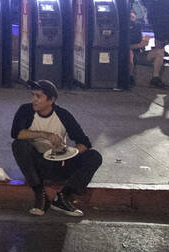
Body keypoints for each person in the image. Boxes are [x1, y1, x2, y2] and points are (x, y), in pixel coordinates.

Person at [11, 80, 102, 217]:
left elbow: (84, 142)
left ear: (51, 100)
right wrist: (44, 134)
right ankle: (39, 194)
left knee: (94, 156)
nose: (34, 100)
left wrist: (69, 153)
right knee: (19, 145)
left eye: (38, 96)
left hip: (60, 163)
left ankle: (63, 196)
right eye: (33, 95)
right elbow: (16, 133)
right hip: (38, 165)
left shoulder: (63, 115)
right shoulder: (26, 110)